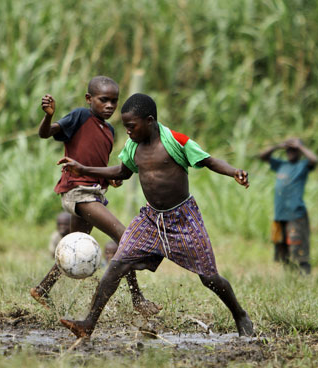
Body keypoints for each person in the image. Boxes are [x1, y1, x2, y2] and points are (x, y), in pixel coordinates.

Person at [58, 93, 254, 338]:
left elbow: (209, 160)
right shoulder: (133, 146)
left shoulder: (175, 140)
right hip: (151, 219)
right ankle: (88, 324)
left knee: (209, 277)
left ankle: (239, 314)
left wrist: (234, 171)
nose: (127, 132)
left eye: (132, 126)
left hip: (183, 218)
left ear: (149, 121)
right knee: (116, 265)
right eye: (125, 127)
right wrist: (84, 168)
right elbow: (122, 170)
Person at [30, 76, 160, 318]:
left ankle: (43, 288)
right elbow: (45, 133)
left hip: (94, 193)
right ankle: (137, 298)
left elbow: (95, 162)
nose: (109, 106)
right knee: (125, 238)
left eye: (114, 101)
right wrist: (48, 116)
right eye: (103, 100)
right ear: (89, 99)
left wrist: (109, 179)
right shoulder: (80, 117)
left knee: (75, 243)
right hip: (78, 193)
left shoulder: (109, 130)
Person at [259, 138, 318, 274]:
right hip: (280, 215)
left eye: (294, 150)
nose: (290, 152)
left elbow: (314, 160)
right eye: (289, 150)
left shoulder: (302, 165)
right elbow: (263, 157)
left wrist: (300, 147)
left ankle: (304, 277)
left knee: (298, 248)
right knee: (282, 249)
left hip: (296, 215)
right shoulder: (281, 165)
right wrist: (278, 146)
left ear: (299, 152)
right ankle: (290, 277)